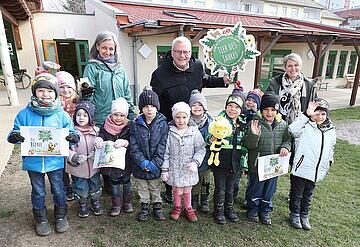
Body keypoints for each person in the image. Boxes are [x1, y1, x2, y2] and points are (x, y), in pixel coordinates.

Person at [150, 36, 230, 204]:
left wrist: (222, 81)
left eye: (186, 52)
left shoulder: (197, 66)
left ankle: (191, 188)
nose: (182, 55)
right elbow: (155, 101)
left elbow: (205, 80)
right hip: (170, 123)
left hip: (194, 120)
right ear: (172, 53)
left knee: (191, 153)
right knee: (172, 155)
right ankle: (171, 190)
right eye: (178, 52)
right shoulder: (159, 74)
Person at [7, 73, 79, 236]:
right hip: (33, 162)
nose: (45, 94)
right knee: (38, 191)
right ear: (34, 92)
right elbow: (14, 132)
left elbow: (73, 133)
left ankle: (61, 217)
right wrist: (14, 136)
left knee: (59, 189)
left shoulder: (61, 115)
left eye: (49, 91)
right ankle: (41, 219)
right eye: (40, 90)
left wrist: (73, 137)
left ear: (55, 94)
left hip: (55, 161)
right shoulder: (24, 115)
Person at [244, 92, 292, 225]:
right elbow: (248, 145)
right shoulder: (254, 123)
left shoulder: (282, 124)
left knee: (270, 189)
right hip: (257, 165)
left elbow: (288, 140)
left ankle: (265, 210)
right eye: (266, 109)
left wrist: (285, 147)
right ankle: (253, 209)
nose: (269, 113)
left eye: (272, 110)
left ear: (277, 110)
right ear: (261, 110)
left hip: (274, 167)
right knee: (256, 188)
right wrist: (254, 135)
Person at [288, 98, 336, 230]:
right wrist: (306, 115)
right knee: (297, 193)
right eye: (316, 113)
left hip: (316, 169)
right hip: (302, 167)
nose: (319, 117)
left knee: (308, 193)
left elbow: (331, 146)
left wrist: (329, 160)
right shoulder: (305, 126)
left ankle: (304, 214)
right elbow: (292, 129)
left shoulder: (330, 130)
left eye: (323, 114)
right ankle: (295, 213)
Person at [207, 90, 248, 225]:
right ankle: (218, 210)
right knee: (220, 187)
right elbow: (208, 137)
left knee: (231, 187)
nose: (233, 109)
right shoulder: (218, 121)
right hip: (221, 160)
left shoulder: (242, 124)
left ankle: (228, 208)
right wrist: (211, 139)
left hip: (235, 161)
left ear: (240, 110)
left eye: (236, 107)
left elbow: (245, 143)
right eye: (230, 105)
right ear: (225, 107)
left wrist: (244, 162)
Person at [161, 102, 206, 222]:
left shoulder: (194, 131)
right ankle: (177, 207)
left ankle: (188, 207)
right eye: (178, 117)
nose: (181, 121)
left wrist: (195, 162)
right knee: (176, 189)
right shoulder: (170, 133)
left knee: (187, 189)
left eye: (184, 117)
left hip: (188, 168)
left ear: (188, 117)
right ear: (174, 117)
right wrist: (165, 169)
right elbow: (165, 153)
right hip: (174, 168)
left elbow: (201, 148)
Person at [130, 87, 169, 221]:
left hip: (154, 165)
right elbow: (133, 146)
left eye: (152, 106)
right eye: (146, 106)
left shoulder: (163, 124)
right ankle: (144, 207)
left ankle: (157, 208)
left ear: (157, 107)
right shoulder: (135, 124)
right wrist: (142, 162)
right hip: (139, 165)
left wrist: (154, 164)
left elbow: (163, 146)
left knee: (154, 187)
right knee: (142, 188)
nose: (149, 109)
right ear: (141, 108)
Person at [82, 31, 135, 127]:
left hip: (120, 120)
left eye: (111, 49)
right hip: (100, 121)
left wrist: (130, 112)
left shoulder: (120, 69)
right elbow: (87, 98)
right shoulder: (91, 68)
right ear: (97, 47)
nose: (107, 52)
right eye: (104, 48)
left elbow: (127, 92)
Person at [93, 97, 132, 216]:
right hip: (111, 164)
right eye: (116, 115)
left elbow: (133, 140)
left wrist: (125, 142)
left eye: (121, 115)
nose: (118, 118)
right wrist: (99, 139)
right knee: (114, 184)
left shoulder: (129, 127)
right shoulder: (106, 127)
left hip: (125, 163)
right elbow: (101, 135)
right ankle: (116, 204)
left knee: (126, 182)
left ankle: (127, 203)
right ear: (111, 114)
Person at [67, 101, 103, 218]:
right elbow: (65, 149)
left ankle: (95, 201)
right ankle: (82, 204)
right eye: (78, 115)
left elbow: (102, 145)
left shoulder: (96, 131)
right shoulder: (71, 132)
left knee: (95, 184)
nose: (81, 118)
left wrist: (98, 148)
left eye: (85, 115)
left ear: (90, 117)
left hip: (93, 167)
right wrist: (74, 156)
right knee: (80, 186)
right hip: (77, 167)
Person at [266, 53, 317, 124]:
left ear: (300, 66)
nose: (293, 69)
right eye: (289, 66)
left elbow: (314, 106)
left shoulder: (309, 85)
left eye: (296, 65)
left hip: (301, 124)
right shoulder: (275, 83)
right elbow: (267, 103)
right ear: (285, 68)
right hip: (278, 123)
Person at [56, 71, 80, 202]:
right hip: (60, 137)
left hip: (75, 136)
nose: (65, 90)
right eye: (62, 87)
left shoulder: (78, 101)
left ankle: (77, 185)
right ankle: (67, 186)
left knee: (75, 160)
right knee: (63, 164)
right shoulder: (55, 103)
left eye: (69, 87)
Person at [188, 89, 213, 213]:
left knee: (205, 181)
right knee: (194, 180)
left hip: (207, 158)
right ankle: (194, 200)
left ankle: (204, 200)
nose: (197, 107)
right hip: (192, 158)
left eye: (200, 104)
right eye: (194, 105)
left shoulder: (211, 123)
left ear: (204, 107)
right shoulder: (187, 122)